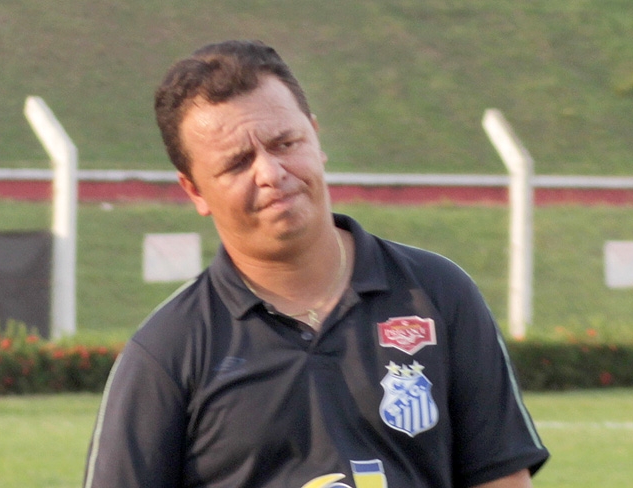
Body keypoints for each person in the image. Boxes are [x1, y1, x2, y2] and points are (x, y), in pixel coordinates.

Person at [84, 39, 549, 488]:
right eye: (238, 163)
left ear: (316, 138)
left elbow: (501, 479)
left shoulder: (437, 293)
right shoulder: (168, 349)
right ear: (194, 190)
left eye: (285, 143)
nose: (271, 173)